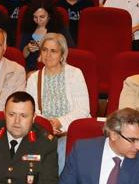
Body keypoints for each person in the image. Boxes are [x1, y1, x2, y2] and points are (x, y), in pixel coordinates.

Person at [23, 32, 91, 171]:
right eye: (45, 50)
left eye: (53, 51)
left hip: (70, 131)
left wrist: (59, 122)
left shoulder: (75, 74)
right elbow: (30, 110)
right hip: (43, 131)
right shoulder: (34, 78)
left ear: (62, 54)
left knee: (60, 148)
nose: (48, 55)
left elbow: (83, 110)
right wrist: (46, 125)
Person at [19, 0, 73, 71]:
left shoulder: (60, 29)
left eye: (42, 17)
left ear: (49, 16)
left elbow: (68, 52)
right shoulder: (28, 28)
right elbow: (21, 56)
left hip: (53, 67)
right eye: (35, 17)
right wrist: (27, 48)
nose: (38, 20)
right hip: (30, 68)